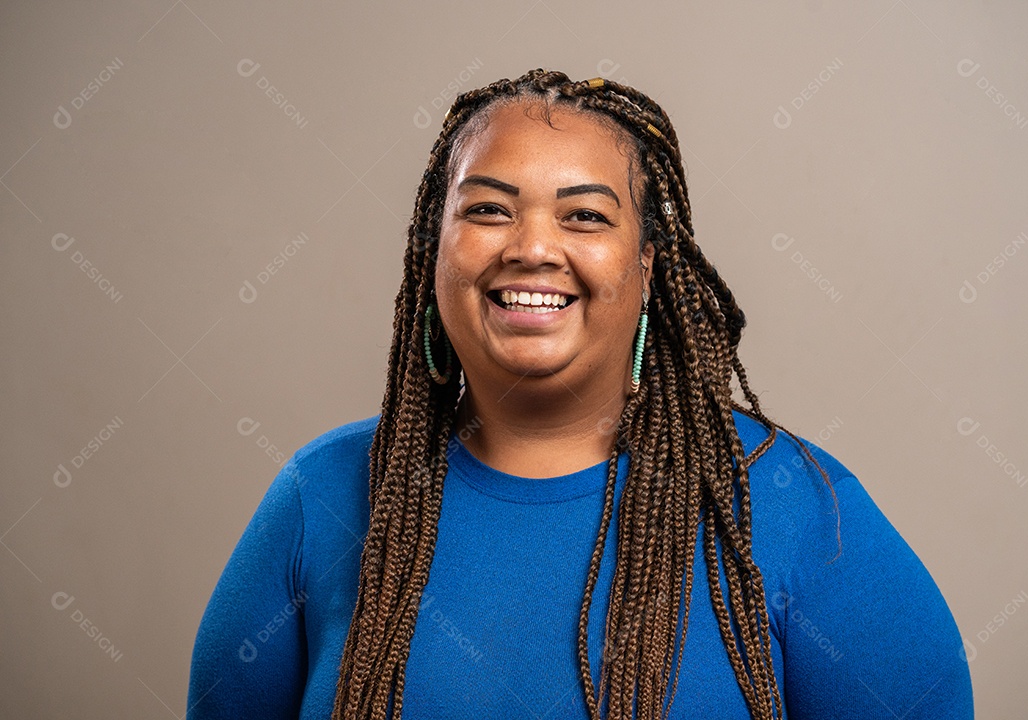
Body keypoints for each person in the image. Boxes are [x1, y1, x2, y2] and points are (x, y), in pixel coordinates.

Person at [187, 69, 974, 720]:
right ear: (434, 254)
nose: (531, 247)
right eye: (488, 209)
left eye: (585, 216)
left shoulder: (793, 507)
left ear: (649, 271)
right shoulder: (319, 497)